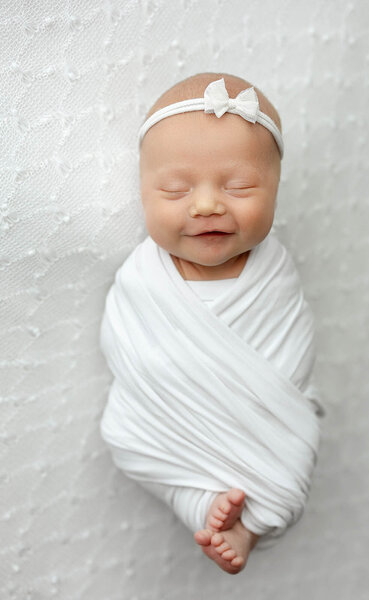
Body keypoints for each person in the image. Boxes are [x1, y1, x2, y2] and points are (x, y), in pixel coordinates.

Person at [99, 72, 324, 574]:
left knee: (296, 434)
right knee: (126, 439)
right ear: (143, 192)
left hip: (263, 421)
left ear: (276, 188)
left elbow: (292, 357)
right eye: (176, 190)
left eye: (240, 186)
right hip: (165, 422)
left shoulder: (274, 276)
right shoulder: (144, 278)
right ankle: (200, 505)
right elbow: (126, 347)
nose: (206, 205)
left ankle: (247, 522)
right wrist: (172, 376)